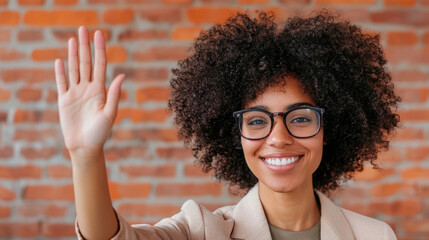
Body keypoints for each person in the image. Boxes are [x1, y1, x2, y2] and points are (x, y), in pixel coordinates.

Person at [55, 10, 400, 240]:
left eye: (300, 118)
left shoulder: (376, 235)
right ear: (235, 134)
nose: (278, 138)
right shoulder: (202, 230)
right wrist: (85, 156)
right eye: (257, 120)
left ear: (330, 128)